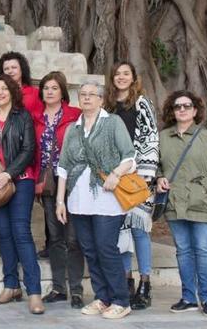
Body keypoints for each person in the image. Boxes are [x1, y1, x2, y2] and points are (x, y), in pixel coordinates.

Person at [55, 82, 136, 320]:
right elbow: (63, 167)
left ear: (102, 99)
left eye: (92, 94)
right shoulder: (73, 128)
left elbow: (130, 157)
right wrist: (60, 201)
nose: (87, 98)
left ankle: (121, 299)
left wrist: (116, 174)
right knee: (89, 250)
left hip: (107, 199)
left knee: (106, 248)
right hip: (79, 201)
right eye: (83, 94)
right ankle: (102, 297)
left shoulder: (112, 123)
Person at [0, 75, 42, 315]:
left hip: (20, 181)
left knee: (20, 231)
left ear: (12, 91)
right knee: (3, 233)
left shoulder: (22, 117)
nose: (0, 92)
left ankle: (34, 292)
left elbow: (28, 150)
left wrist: (8, 174)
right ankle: (10, 285)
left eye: (4, 88)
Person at [155, 90, 207, 318]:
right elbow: (154, 164)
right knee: (183, 252)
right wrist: (159, 178)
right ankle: (188, 297)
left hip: (202, 204)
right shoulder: (163, 137)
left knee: (203, 251)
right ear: (172, 111)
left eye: (187, 106)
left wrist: (203, 188)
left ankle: (206, 299)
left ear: (195, 111)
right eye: (178, 107)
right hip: (175, 204)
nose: (182, 110)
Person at [104, 61, 159, 310]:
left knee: (139, 229)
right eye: (117, 74)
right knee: (120, 231)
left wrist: (145, 173)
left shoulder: (141, 102)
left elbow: (150, 137)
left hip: (138, 174)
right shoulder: (107, 105)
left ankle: (145, 283)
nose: (121, 77)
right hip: (113, 176)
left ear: (133, 77)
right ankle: (126, 281)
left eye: (126, 74)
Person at [34, 72, 85, 309]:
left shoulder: (75, 115)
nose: (50, 92)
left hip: (73, 181)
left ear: (62, 91)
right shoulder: (36, 118)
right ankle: (58, 288)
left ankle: (76, 290)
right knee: (55, 237)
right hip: (48, 182)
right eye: (46, 88)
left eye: (54, 88)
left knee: (73, 238)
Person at [0, 51, 44, 259]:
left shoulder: (33, 93)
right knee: (3, 228)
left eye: (14, 67)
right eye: (6, 69)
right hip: (3, 162)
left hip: (29, 157)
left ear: (22, 68)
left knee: (20, 226)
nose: (10, 71)